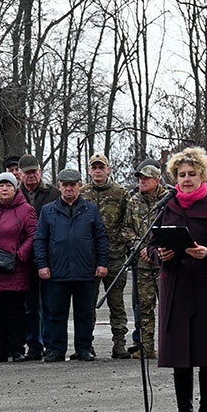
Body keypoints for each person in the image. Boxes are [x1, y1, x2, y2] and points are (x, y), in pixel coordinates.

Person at [149, 148, 207, 412]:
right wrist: (160, 252)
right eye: (181, 175)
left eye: (192, 174)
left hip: (205, 288)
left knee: (206, 354)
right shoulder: (166, 207)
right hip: (175, 287)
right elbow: (150, 246)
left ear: (203, 176)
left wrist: (206, 252)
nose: (186, 179)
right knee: (180, 355)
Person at [34, 168, 109, 362]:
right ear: (59, 187)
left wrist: (102, 263)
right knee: (55, 314)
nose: (69, 188)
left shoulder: (90, 209)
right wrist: (42, 265)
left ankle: (83, 348)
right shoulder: (48, 210)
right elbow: (40, 239)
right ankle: (56, 349)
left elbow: (100, 238)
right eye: (65, 185)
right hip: (57, 272)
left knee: (84, 314)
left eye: (73, 185)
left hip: (85, 271)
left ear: (79, 186)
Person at [80, 153, 132, 359]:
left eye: (102, 167)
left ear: (109, 169)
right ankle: (87, 344)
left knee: (117, 304)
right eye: (94, 168)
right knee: (87, 303)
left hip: (115, 256)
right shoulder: (82, 193)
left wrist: (122, 242)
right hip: (89, 258)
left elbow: (128, 223)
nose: (98, 171)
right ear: (90, 170)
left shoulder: (121, 193)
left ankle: (119, 344)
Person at [0, 172, 37, 362]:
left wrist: (20, 254)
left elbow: (33, 235)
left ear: (15, 188)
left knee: (15, 312)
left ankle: (17, 349)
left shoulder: (26, 210)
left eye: (8, 186)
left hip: (16, 270)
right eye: (1, 186)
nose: (4, 189)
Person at [121, 161, 167, 359]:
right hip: (142, 263)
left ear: (157, 180)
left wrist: (155, 248)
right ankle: (146, 348)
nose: (142, 181)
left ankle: (170, 347)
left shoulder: (168, 200)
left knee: (168, 306)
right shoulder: (134, 201)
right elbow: (126, 229)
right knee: (145, 308)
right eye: (140, 178)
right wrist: (140, 246)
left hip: (165, 262)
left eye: (146, 178)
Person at [17, 154, 59, 361]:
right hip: (23, 259)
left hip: (49, 257)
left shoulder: (53, 193)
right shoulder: (16, 195)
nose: (31, 177)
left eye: (34, 172)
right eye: (27, 173)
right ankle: (33, 345)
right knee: (29, 306)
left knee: (50, 304)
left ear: (40, 172)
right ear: (20, 175)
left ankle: (51, 345)